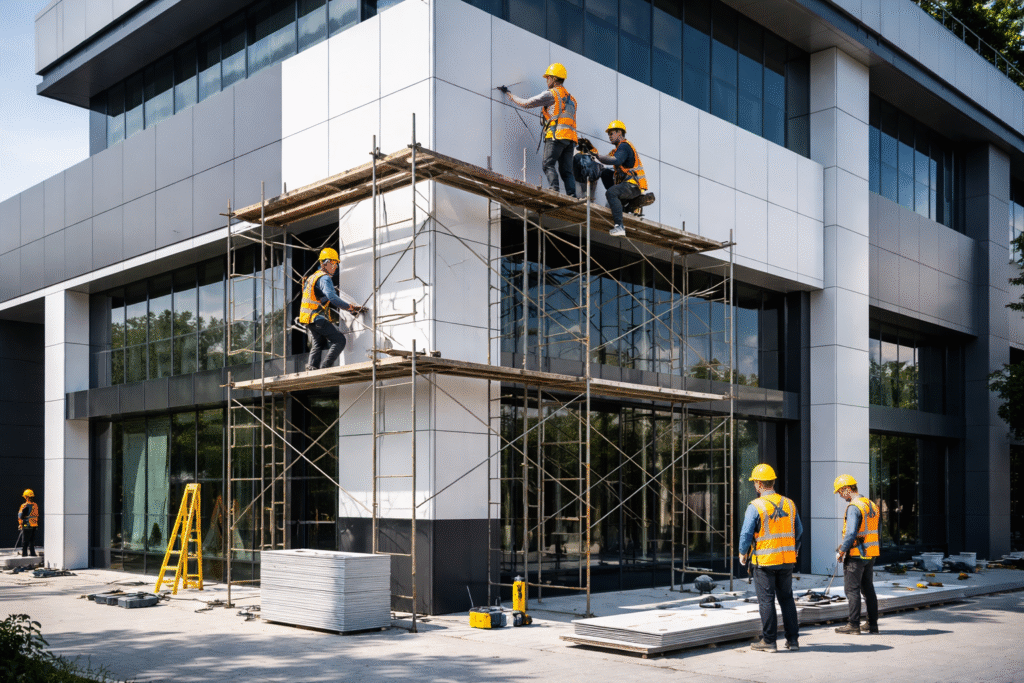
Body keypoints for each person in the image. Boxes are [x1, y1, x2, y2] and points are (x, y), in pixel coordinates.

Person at [738, 463, 802, 652]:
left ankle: (769, 641)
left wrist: (742, 552)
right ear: (772, 482)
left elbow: (746, 533)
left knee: (766, 601)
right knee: (787, 599)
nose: (754, 486)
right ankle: (793, 640)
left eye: (754, 483)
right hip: (787, 560)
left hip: (765, 562)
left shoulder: (756, 506)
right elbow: (799, 531)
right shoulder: (789, 504)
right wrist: (795, 548)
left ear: (759, 484)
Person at [501, 63, 578, 198]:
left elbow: (526, 103)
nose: (547, 80)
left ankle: (554, 189)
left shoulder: (552, 94)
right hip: (570, 139)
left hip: (556, 136)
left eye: (548, 78)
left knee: (548, 164)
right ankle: (572, 194)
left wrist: (509, 94)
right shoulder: (572, 99)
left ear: (554, 79)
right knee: (566, 170)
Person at [300, 248, 366, 371]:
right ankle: (325, 367)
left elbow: (320, 299)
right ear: (324, 263)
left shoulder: (313, 277)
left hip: (308, 318)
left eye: (336, 263)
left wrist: (331, 296)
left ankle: (312, 367)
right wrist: (350, 307)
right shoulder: (324, 278)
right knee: (340, 340)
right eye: (333, 263)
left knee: (318, 343)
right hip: (316, 318)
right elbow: (332, 298)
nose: (336, 266)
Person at [833, 474, 880, 635]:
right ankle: (872, 624)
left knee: (852, 590)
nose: (840, 495)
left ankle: (853, 625)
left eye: (840, 492)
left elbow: (851, 533)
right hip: (870, 553)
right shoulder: (871, 504)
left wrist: (842, 551)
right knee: (868, 589)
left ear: (847, 489)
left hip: (856, 554)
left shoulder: (854, 507)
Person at [593, 121, 647, 237]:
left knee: (611, 193)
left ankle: (619, 227)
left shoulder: (624, 146)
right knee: (605, 173)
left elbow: (616, 160)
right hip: (626, 186)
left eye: (611, 133)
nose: (610, 136)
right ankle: (621, 202)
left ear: (619, 132)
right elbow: (605, 160)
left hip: (633, 185)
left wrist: (598, 156)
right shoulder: (617, 150)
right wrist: (592, 155)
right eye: (609, 134)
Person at [17, 489, 38, 557]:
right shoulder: (35, 505)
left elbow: (20, 516)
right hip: (34, 525)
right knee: (32, 540)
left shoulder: (24, 505)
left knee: (25, 540)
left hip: (27, 524)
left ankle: (24, 554)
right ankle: (32, 553)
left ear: (26, 497)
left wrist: (20, 524)